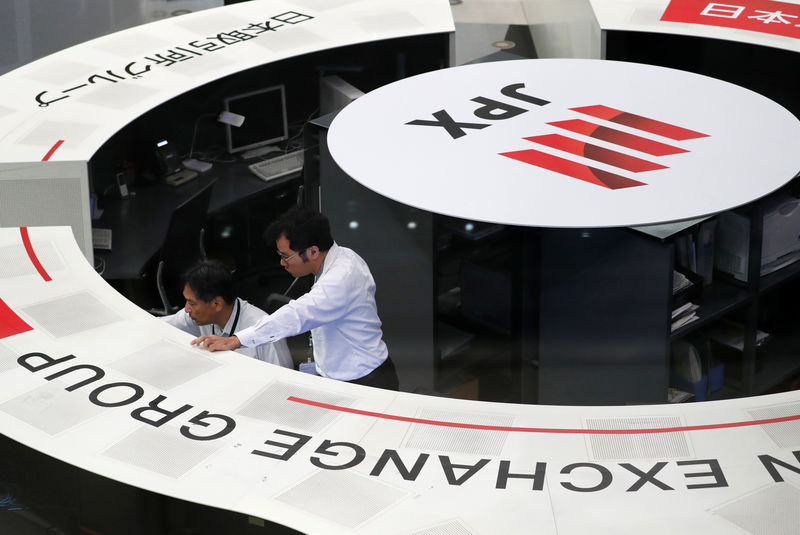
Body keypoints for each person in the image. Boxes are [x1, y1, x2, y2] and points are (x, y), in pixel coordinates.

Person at [192, 207, 398, 390]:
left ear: (313, 251)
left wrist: (236, 340)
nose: (282, 263)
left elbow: (297, 314)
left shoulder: (340, 279)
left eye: (286, 256)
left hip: (364, 383)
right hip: (343, 376)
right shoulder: (344, 255)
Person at [163, 259, 293, 368]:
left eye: (192, 303)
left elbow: (286, 384)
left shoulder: (264, 331)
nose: (186, 309)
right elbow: (155, 325)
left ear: (217, 304)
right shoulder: (195, 316)